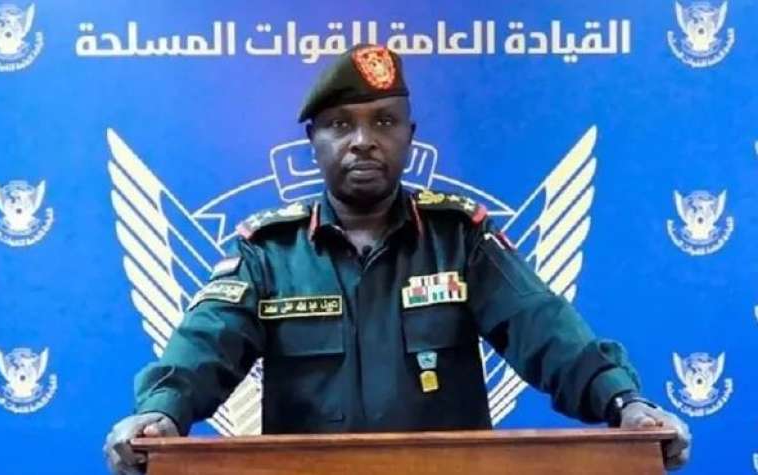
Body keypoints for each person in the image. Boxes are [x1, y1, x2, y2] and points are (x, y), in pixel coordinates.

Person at [104, 44, 691, 473]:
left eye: (383, 121)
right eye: (340, 125)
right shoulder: (269, 252)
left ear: (410, 135)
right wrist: (162, 413)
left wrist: (624, 402)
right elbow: (205, 345)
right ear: (313, 142)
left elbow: (545, 329)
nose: (363, 140)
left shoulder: (460, 239)